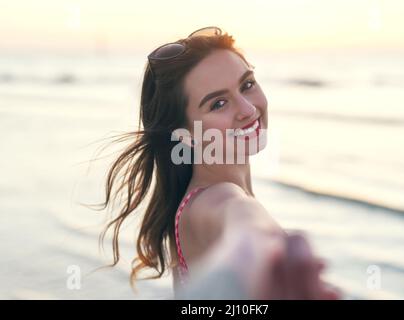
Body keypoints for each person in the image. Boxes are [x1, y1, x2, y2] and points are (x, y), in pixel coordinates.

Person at [98, 26, 341, 299]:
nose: (248, 110)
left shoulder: (199, 200)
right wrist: (266, 250)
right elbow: (243, 223)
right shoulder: (213, 200)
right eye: (218, 104)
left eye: (247, 85)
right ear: (185, 136)